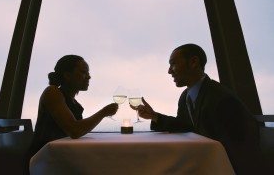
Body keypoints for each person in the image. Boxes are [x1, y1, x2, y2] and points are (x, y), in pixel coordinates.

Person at [136, 44, 263, 174]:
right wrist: (154, 116)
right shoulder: (186, 96)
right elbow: (185, 125)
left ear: (193, 62)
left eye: (173, 64)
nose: (169, 71)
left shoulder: (221, 98)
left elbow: (240, 150)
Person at [26, 55, 118, 172]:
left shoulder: (72, 101)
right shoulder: (52, 92)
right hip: (45, 162)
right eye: (84, 72)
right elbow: (75, 130)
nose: (89, 77)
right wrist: (103, 112)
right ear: (67, 75)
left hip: (61, 157)